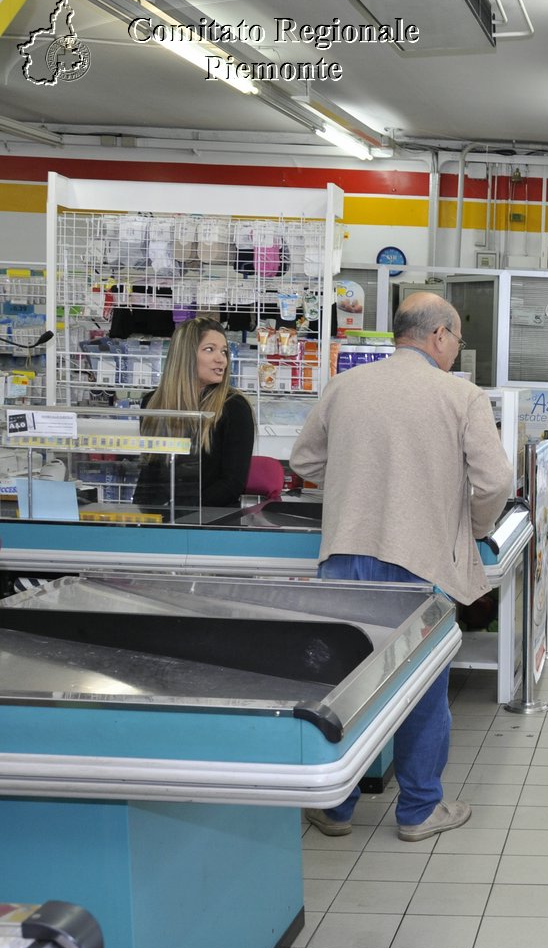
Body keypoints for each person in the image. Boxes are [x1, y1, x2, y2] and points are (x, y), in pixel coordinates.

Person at [292, 291, 513, 842]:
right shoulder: (461, 396)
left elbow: (304, 461)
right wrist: (477, 527)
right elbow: (495, 482)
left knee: (342, 687)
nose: (457, 350)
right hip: (419, 563)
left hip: (343, 560)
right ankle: (418, 810)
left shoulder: (345, 387)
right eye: (457, 339)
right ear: (439, 335)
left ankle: (336, 808)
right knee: (422, 688)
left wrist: (358, 480)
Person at [133, 317, 255, 511]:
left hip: (212, 523)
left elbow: (231, 485)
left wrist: (180, 510)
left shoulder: (234, 407)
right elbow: (150, 472)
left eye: (224, 351)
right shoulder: (153, 402)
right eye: (210, 349)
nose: (221, 358)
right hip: (164, 522)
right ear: (185, 355)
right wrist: (141, 516)